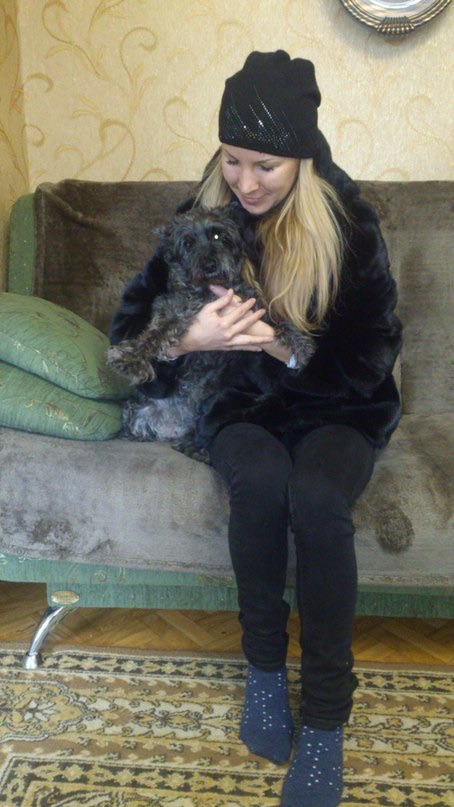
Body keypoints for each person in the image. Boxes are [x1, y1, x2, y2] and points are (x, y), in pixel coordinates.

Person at [110, 50, 402, 807]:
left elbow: (370, 357)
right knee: (263, 481)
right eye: (232, 159)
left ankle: (326, 720)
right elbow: (128, 334)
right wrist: (188, 340)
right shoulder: (199, 217)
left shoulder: (350, 224)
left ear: (302, 156)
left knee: (318, 498)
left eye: (265, 165)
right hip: (241, 409)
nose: (245, 182)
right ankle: (265, 675)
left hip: (340, 409)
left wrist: (279, 343)